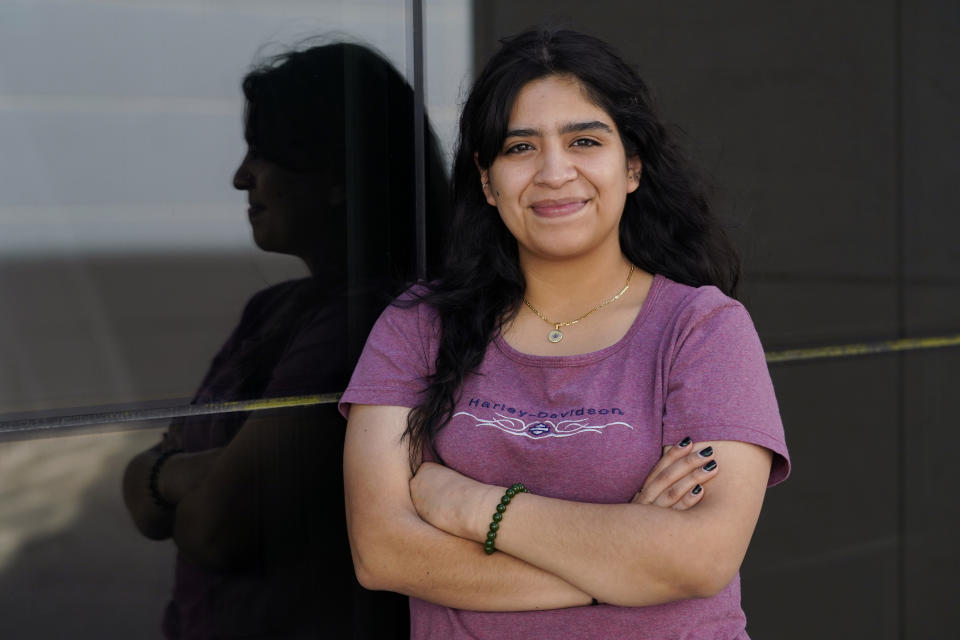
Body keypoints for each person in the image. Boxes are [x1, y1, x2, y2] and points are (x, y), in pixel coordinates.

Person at [340, 28, 790, 639]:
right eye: (520, 147)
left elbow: (702, 557)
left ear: (631, 165)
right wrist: (625, 559)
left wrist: (475, 508)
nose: (554, 172)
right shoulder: (418, 326)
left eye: (584, 140)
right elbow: (383, 554)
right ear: (486, 178)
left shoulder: (702, 330)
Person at [123, 42, 445, 639]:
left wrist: (163, 471)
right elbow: (150, 503)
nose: (241, 176)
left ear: (336, 175)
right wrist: (193, 471)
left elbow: (219, 527)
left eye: (264, 154)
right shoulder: (274, 310)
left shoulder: (374, 325)